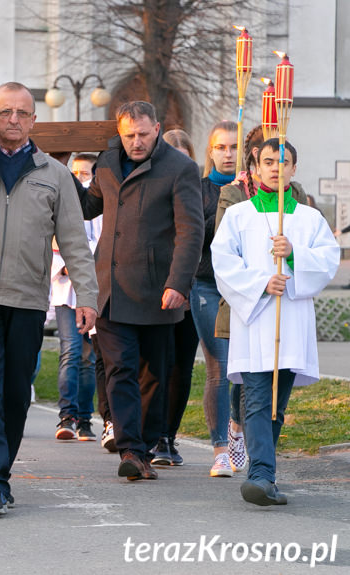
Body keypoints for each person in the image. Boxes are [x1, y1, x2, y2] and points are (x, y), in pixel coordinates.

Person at [0, 81, 98, 518]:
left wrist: (86, 296)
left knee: (15, 394)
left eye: (22, 112)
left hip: (29, 298)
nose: (14, 119)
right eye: (5, 112)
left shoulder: (54, 174)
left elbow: (74, 240)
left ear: (34, 120)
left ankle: (1, 474)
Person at [80, 101, 203, 482]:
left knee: (154, 374)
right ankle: (131, 449)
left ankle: (146, 445)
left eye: (143, 134)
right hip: (111, 288)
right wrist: (61, 168)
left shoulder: (180, 168)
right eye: (129, 134)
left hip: (157, 290)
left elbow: (191, 231)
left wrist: (177, 283)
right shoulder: (106, 163)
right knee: (120, 369)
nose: (136, 142)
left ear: (157, 129)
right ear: (119, 132)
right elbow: (87, 207)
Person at [212, 139, 338, 505]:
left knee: (274, 406)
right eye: (268, 161)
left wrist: (295, 254)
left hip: (291, 323)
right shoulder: (239, 215)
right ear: (255, 168)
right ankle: (261, 475)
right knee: (255, 399)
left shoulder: (309, 218)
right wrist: (262, 283)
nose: (275, 167)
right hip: (254, 321)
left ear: (293, 169)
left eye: (283, 162)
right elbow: (223, 263)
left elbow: (328, 261)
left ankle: (264, 471)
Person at [183, 121, 240, 477]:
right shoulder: (199, 189)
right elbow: (194, 235)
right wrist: (225, 206)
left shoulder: (251, 189)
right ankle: (221, 448)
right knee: (219, 367)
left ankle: (238, 432)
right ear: (211, 151)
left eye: (234, 147)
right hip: (207, 284)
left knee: (245, 368)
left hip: (245, 288)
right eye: (221, 147)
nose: (228, 153)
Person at [150, 129, 201, 468]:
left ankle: (168, 435)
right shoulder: (151, 187)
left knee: (181, 366)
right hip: (154, 286)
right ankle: (151, 433)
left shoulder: (196, 188)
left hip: (190, 288)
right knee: (156, 365)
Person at [53, 153, 101, 441]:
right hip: (64, 288)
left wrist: (85, 262)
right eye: (76, 173)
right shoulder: (59, 202)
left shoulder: (98, 208)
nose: (81, 179)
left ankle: (85, 418)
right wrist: (66, 264)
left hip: (91, 288)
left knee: (89, 356)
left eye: (86, 174)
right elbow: (53, 240)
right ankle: (67, 415)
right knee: (70, 351)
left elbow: (101, 240)